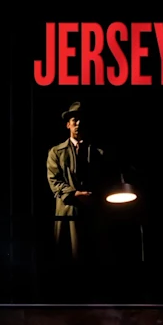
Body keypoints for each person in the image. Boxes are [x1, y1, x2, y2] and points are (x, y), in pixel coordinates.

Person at [46, 101, 108, 263]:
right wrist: (74, 194)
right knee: (68, 259)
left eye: (81, 120)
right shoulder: (56, 152)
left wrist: (93, 195)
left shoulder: (98, 153)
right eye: (74, 120)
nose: (78, 124)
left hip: (92, 214)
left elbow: (104, 180)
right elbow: (54, 181)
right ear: (68, 125)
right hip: (68, 214)